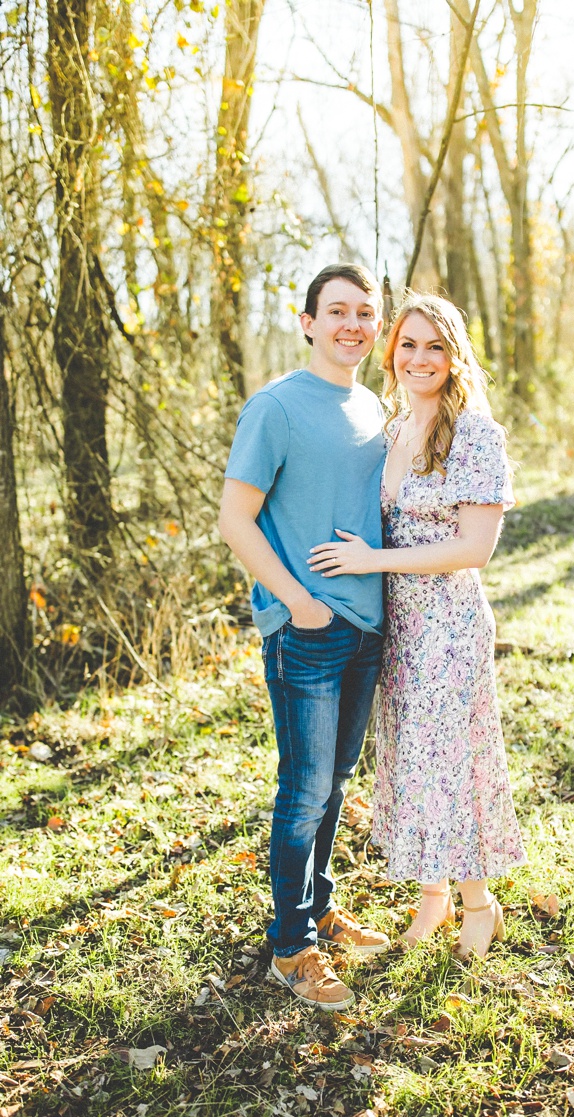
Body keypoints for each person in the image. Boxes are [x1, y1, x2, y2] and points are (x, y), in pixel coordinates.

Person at [308, 293, 525, 961]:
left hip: (450, 624)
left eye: (435, 346)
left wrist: (375, 559)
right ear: (391, 351)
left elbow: (474, 547)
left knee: (453, 762)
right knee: (410, 761)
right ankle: (432, 895)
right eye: (408, 343)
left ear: (455, 355)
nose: (419, 358)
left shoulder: (477, 435)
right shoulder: (390, 427)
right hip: (394, 623)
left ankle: (479, 903)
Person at [219, 263, 393, 1012]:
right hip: (307, 630)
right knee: (303, 790)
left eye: (365, 312)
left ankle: (319, 905)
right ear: (309, 321)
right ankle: (290, 947)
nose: (353, 323)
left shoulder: (378, 408)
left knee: (336, 784)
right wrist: (296, 602)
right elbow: (235, 519)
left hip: (366, 628)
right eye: (338, 311)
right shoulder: (277, 407)